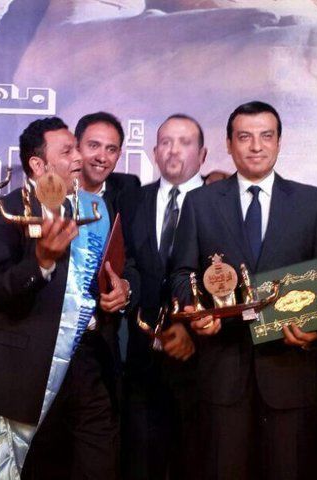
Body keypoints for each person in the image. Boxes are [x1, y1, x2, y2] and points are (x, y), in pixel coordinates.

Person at [170, 101, 317, 480]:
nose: (256, 146)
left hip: (289, 374)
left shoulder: (313, 202)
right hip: (222, 373)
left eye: (266, 136)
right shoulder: (200, 202)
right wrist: (198, 310)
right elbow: (181, 274)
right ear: (229, 144)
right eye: (245, 137)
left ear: (279, 142)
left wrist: (316, 332)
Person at [0, 117, 133, 479]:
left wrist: (121, 289)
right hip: (29, 370)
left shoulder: (95, 209)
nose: (79, 157)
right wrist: (40, 262)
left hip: (90, 359)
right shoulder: (2, 212)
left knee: (99, 465)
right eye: (68, 151)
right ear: (38, 165)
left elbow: (117, 269)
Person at [120, 113, 206, 479]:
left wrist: (189, 326)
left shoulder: (221, 202)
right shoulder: (132, 200)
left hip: (202, 360)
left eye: (185, 143)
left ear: (203, 154)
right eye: (166, 142)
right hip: (142, 359)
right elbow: (126, 264)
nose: (174, 150)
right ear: (154, 152)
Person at [75, 111, 141, 219]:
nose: (102, 158)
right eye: (93, 146)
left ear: (118, 154)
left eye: (111, 149)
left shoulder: (127, 188)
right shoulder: (53, 190)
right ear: (76, 147)